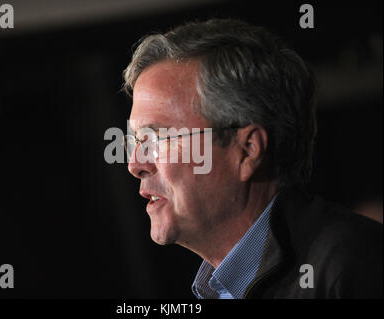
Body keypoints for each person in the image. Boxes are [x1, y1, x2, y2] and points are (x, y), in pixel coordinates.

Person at [122, 18, 382, 298]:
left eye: (158, 138)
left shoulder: (352, 270)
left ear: (247, 150)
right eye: (137, 140)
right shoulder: (216, 289)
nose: (135, 165)